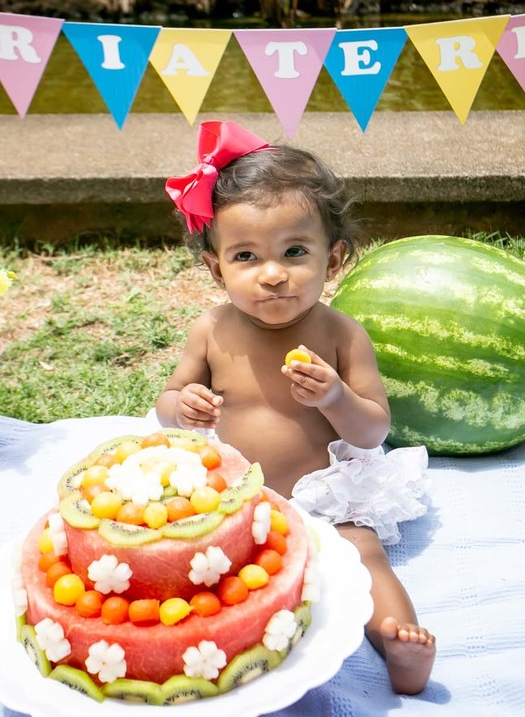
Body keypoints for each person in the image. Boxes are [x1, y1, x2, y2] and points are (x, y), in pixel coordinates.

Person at [155, 120, 435, 695]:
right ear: (217, 268)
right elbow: (164, 402)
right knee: (192, 560)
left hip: (322, 494)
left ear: (332, 261)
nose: (273, 272)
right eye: (246, 256)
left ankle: (397, 638)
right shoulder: (209, 330)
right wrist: (184, 406)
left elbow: (372, 431)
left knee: (363, 551)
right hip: (232, 495)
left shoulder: (341, 335)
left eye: (295, 251)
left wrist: (336, 397)